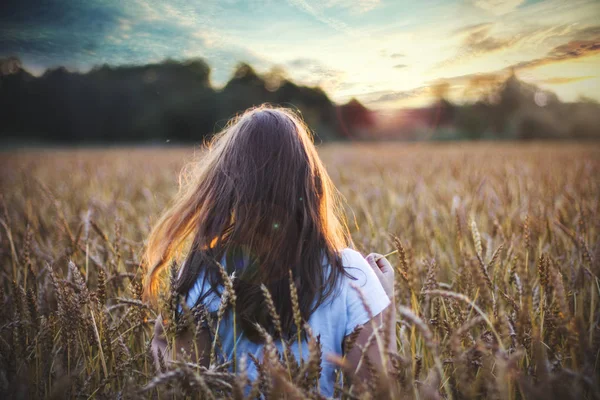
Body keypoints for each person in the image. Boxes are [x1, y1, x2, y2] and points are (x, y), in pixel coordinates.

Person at [143, 105, 396, 397]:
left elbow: (181, 383)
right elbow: (379, 390)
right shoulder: (352, 273)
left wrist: (161, 340)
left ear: (227, 185)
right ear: (311, 183)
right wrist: (383, 301)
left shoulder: (204, 270)